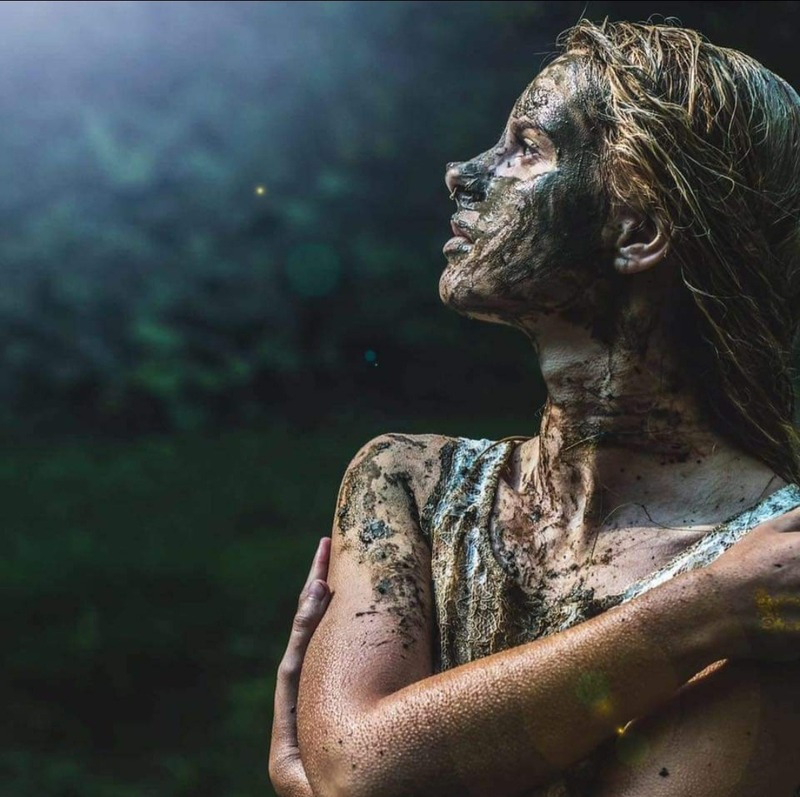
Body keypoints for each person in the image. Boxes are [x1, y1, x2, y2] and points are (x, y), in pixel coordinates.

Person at [269, 19, 800, 797]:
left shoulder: (781, 566)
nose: (461, 172)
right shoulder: (411, 482)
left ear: (640, 228)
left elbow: (359, 773)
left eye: (526, 145)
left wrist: (317, 777)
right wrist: (700, 613)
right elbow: (361, 763)